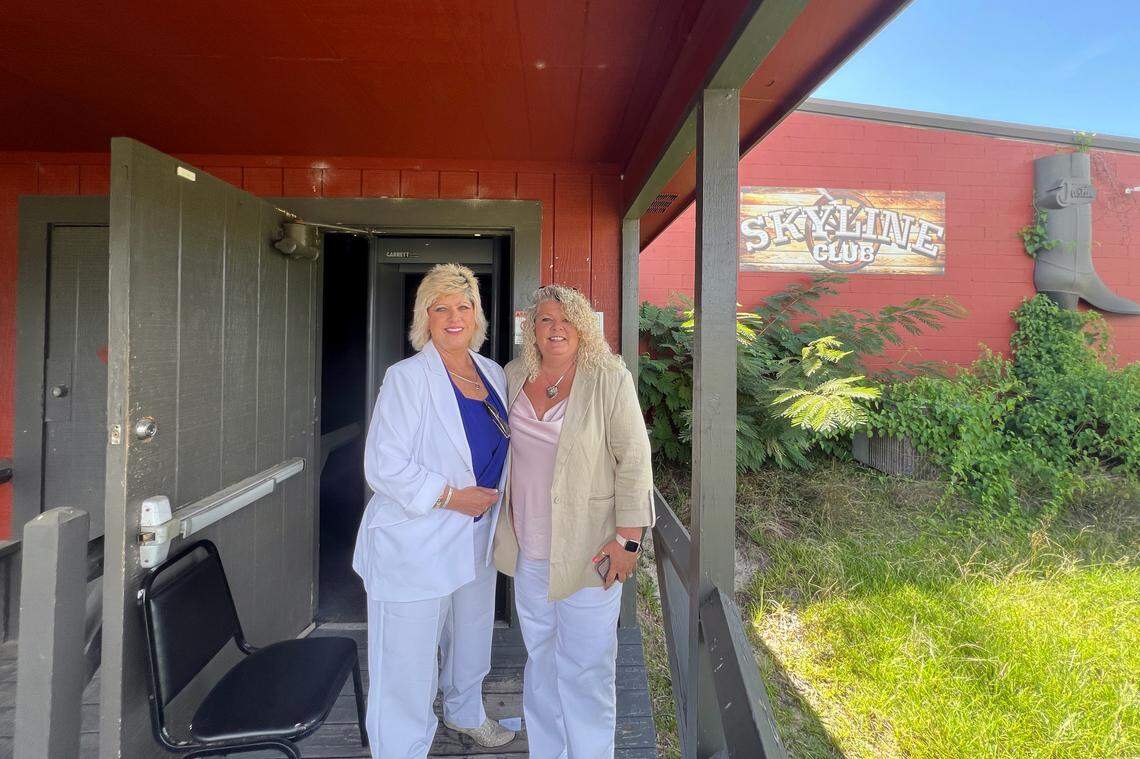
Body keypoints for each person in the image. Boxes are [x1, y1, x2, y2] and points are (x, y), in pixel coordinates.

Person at [352, 263, 515, 758]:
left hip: (476, 536)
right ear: (425, 317)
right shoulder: (406, 378)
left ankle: (465, 713)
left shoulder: (492, 373)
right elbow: (383, 465)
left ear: (477, 316)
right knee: (407, 661)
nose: (454, 317)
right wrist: (451, 497)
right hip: (417, 538)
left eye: (464, 307)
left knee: (470, 640)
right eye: (440, 308)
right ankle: (400, 749)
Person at [493, 284, 655, 758]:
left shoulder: (608, 377)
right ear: (532, 328)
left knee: (586, 671)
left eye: (566, 319)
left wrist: (629, 541)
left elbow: (634, 460)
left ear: (583, 326)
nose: (556, 328)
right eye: (545, 319)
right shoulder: (513, 375)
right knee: (542, 662)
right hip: (529, 549)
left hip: (590, 550)